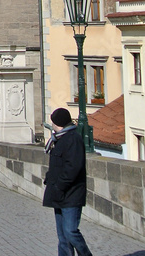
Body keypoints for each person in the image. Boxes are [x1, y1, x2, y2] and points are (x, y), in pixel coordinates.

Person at [43, 107, 94, 256]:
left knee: (70, 231)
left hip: (71, 194)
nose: (51, 125)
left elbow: (73, 168)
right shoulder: (59, 139)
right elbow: (58, 166)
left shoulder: (72, 139)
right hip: (59, 194)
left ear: (57, 123)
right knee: (63, 237)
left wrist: (59, 186)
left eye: (53, 122)